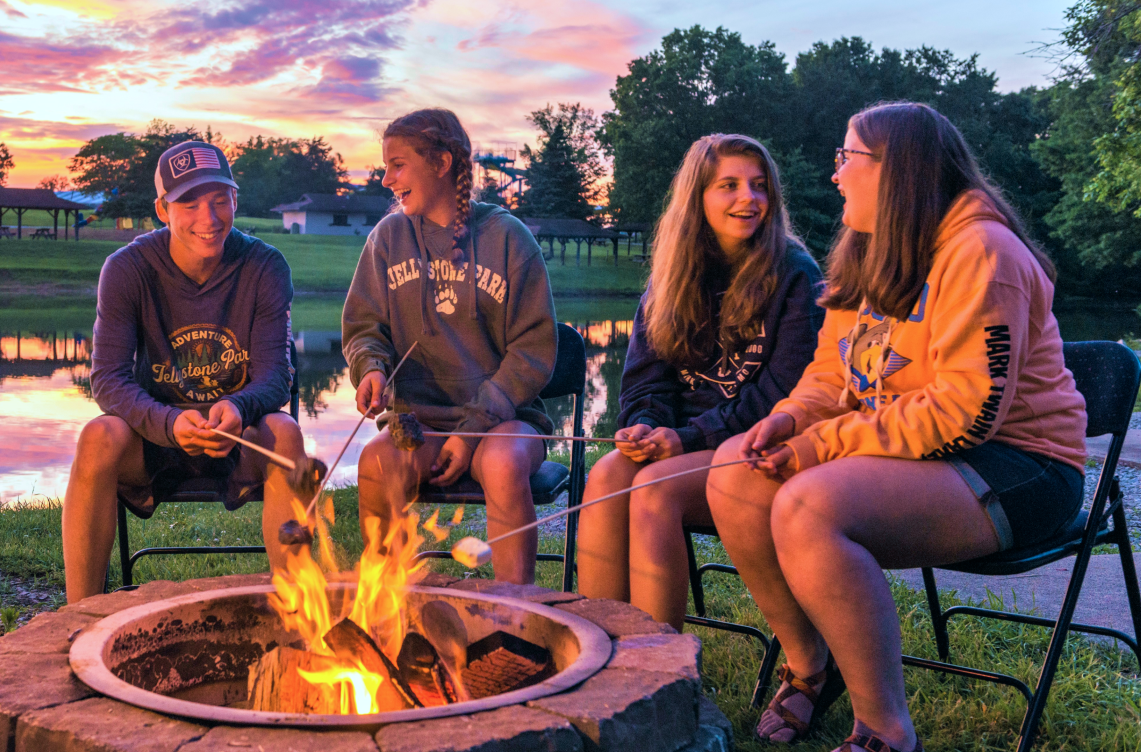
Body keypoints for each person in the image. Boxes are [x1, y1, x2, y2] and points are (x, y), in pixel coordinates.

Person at [706, 102, 1087, 752]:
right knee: (733, 473)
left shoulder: (984, 252)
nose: (834, 174)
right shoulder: (869, 247)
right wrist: (792, 420)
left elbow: (963, 416)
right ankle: (811, 670)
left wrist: (824, 445)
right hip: (929, 454)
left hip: (1021, 466)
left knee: (808, 505)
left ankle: (890, 740)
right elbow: (831, 371)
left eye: (847, 158)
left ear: (898, 169)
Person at [577, 134, 823, 629]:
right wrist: (645, 425)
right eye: (728, 185)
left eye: (758, 186)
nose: (748, 198)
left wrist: (686, 438)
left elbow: (780, 394)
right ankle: (603, 652)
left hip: (753, 446)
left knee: (654, 488)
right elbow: (646, 381)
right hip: (681, 444)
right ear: (698, 197)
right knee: (606, 476)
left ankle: (658, 666)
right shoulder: (670, 277)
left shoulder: (795, 274)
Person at [64, 141, 307, 603]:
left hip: (237, 434)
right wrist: (171, 423)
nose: (209, 218)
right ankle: (78, 614)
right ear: (162, 209)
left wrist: (237, 406)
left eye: (220, 200)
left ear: (235, 200)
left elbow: (276, 377)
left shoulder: (264, 266)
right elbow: (108, 379)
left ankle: (296, 608)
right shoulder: (126, 269)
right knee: (98, 437)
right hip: (154, 435)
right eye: (190, 202)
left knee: (287, 434)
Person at [342, 108, 557, 584]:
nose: (386, 178)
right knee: (377, 462)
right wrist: (371, 367)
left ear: (441, 163)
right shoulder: (387, 238)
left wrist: (474, 430)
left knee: (501, 464)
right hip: (420, 423)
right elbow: (364, 326)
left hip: (505, 422)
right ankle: (388, 608)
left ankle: (515, 613)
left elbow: (532, 351)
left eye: (398, 164)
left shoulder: (508, 239)